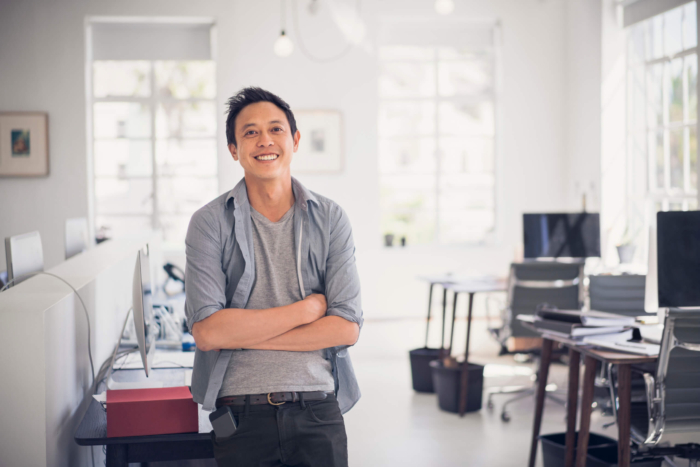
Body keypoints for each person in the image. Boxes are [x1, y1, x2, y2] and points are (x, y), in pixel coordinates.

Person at [185, 87, 363, 467]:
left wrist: (246, 336)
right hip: (240, 414)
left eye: (275, 129)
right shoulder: (209, 223)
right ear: (233, 149)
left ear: (294, 140)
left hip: (317, 406)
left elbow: (346, 327)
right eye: (249, 132)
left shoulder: (331, 219)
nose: (264, 140)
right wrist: (306, 311)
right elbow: (209, 333)